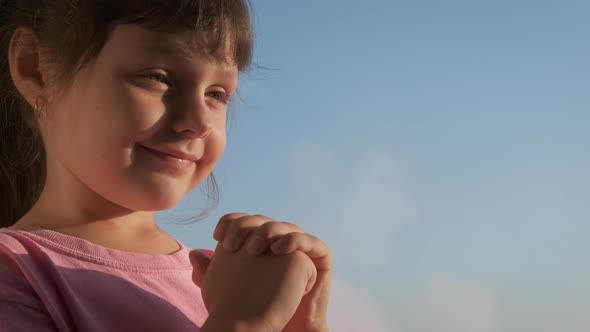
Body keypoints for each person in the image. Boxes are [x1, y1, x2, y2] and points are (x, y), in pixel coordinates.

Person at [0, 1, 333, 331]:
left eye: (216, 94)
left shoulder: (219, 280)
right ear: (35, 67)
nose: (199, 121)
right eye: (157, 77)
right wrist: (244, 322)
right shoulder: (16, 273)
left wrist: (303, 325)